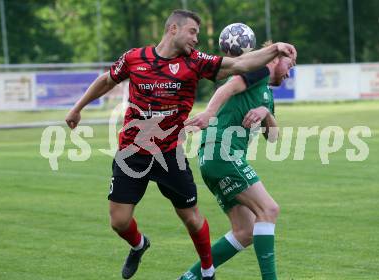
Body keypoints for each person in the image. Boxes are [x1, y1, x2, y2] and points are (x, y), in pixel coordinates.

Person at [65, 8, 296, 280]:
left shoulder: (196, 61)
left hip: (169, 154)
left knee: (210, 222)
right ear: (173, 29)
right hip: (135, 151)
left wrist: (275, 53)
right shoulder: (134, 58)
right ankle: (140, 245)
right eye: (193, 32)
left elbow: (238, 65)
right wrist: (78, 107)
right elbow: (107, 80)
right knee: (119, 221)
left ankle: (203, 273)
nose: (196, 39)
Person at [179, 41, 293, 280]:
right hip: (222, 150)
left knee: (246, 231)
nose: (289, 72)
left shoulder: (267, 96)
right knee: (269, 209)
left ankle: (190, 277)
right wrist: (209, 113)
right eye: (289, 64)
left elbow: (272, 137)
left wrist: (266, 113)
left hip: (214, 157)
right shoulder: (259, 71)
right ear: (274, 58)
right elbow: (228, 88)